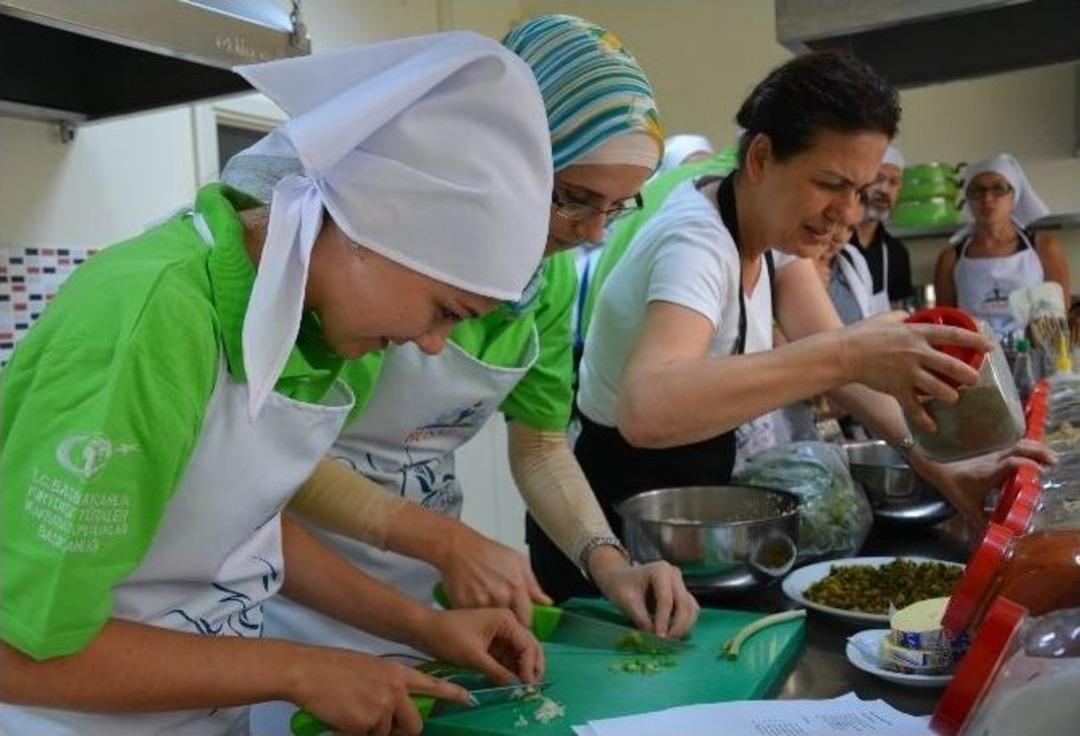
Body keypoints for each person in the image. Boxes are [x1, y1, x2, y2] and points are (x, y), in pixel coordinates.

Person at [0, 32, 554, 736]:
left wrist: (427, 627)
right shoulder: (151, 323)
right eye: (443, 309)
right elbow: (18, 650)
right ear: (368, 230)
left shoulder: (306, 328)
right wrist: (299, 668)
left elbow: (237, 530)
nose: (432, 342)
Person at [219, 18, 699, 732]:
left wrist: (607, 562)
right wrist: (441, 542)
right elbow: (270, 454)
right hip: (292, 606)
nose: (594, 233)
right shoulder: (359, 258)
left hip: (422, 605)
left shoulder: (547, 280)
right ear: (510, 158)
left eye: (617, 206)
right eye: (575, 197)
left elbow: (538, 445)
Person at [534, 52, 1055, 599]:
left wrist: (942, 467)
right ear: (760, 158)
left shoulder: (773, 233)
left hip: (697, 514)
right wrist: (850, 352)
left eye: (858, 189)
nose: (848, 213)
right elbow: (646, 410)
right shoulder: (696, 243)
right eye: (830, 183)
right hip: (621, 525)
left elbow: (842, 369)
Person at [934, 153, 1070, 340]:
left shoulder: (1045, 249)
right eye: (977, 190)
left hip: (1034, 358)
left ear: (1014, 196)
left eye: (998, 189)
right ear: (968, 199)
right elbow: (946, 325)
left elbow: (1060, 315)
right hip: (976, 360)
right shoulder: (950, 258)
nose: (987, 198)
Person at [847, 145, 914, 311]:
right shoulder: (831, 245)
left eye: (893, 182)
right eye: (878, 178)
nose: (885, 190)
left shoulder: (896, 252)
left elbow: (897, 313)